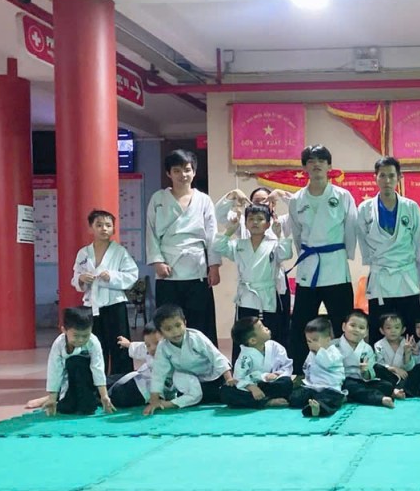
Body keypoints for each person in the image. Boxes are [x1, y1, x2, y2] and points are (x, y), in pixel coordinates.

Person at [282, 144, 359, 372]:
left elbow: (351, 229)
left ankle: (347, 368)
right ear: (304, 167)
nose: (316, 164)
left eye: (321, 160)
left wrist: (345, 255)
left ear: (329, 166)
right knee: (301, 322)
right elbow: (297, 235)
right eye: (311, 161)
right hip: (309, 266)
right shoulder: (297, 199)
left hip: (335, 265)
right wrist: (305, 255)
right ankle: (300, 370)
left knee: (342, 321)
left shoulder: (342, 196)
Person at [146, 149, 221, 345]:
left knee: (200, 322)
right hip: (167, 268)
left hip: (197, 269)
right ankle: (169, 360)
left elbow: (212, 235)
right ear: (169, 173)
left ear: (194, 172)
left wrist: (214, 266)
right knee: (169, 321)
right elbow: (151, 232)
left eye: (187, 170)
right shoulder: (158, 199)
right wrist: (157, 261)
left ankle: (204, 360)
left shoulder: (203, 200)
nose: (183, 175)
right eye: (177, 171)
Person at [212, 203, 294, 363]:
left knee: (269, 334)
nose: (255, 222)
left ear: (268, 224)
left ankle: (272, 367)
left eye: (260, 219)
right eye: (251, 219)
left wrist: (280, 235)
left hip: (267, 295)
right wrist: (230, 230)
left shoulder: (273, 244)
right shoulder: (238, 244)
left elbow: (286, 254)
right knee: (245, 333)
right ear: (246, 223)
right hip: (246, 296)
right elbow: (218, 246)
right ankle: (241, 367)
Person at [358, 156, 420, 338]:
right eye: (382, 175)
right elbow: (362, 240)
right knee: (379, 329)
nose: (387, 180)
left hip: (405, 275)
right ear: (375, 178)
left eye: (391, 176)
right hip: (380, 276)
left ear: (399, 178)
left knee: (409, 329)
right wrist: (373, 261)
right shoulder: (365, 208)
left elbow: (418, 241)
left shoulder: (411, 207)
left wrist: (411, 264)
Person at [71, 209, 138, 375]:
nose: (104, 229)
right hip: (92, 305)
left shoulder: (120, 252)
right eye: (99, 225)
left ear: (113, 229)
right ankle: (96, 382)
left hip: (115, 304)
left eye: (108, 225)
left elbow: (132, 275)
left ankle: (121, 380)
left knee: (119, 344)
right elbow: (75, 277)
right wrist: (81, 279)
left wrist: (112, 277)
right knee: (95, 345)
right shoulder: (83, 253)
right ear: (91, 228)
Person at [144, 304, 234, 416]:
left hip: (212, 377)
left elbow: (216, 357)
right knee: (178, 376)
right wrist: (154, 400)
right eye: (168, 329)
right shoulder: (163, 347)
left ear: (185, 323)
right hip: (188, 378)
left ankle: (199, 397)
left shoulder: (195, 337)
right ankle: (171, 404)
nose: (175, 332)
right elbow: (158, 373)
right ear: (160, 332)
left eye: (178, 325)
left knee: (226, 393)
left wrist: (229, 379)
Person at [40, 307, 114, 416]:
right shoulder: (58, 344)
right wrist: (52, 398)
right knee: (66, 408)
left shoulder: (93, 343)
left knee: (87, 409)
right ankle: (51, 399)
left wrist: (104, 396)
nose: (80, 340)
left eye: (85, 336)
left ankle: (92, 398)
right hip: (69, 383)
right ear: (64, 330)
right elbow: (54, 371)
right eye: (76, 335)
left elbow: (97, 369)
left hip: (88, 383)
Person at [220, 317, 295, 409]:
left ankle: (262, 399)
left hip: (269, 385)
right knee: (226, 392)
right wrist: (251, 387)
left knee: (286, 382)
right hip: (249, 389)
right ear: (253, 340)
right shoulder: (244, 357)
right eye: (262, 327)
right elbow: (238, 379)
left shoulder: (274, 346)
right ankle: (266, 402)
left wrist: (277, 374)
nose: (266, 328)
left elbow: (286, 366)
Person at [337, 309, 401, 408]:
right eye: (352, 325)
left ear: (366, 332)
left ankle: (351, 396)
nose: (356, 330)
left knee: (386, 386)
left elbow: (369, 376)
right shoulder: (333, 346)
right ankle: (380, 399)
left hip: (362, 381)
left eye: (361, 327)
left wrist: (365, 371)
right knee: (349, 386)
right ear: (344, 326)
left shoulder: (367, 348)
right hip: (343, 381)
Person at [288, 317, 347, 417]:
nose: (311, 344)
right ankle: (313, 404)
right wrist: (306, 380)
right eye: (308, 341)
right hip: (313, 387)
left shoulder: (334, 352)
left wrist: (319, 351)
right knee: (295, 397)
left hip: (330, 388)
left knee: (330, 399)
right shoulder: (312, 353)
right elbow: (307, 367)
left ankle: (317, 408)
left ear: (328, 339)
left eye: (315, 340)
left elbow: (326, 363)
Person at [109, 324, 163, 409]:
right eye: (148, 345)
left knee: (117, 395)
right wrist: (129, 344)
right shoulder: (151, 348)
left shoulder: (173, 357)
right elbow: (142, 347)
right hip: (139, 377)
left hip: (146, 392)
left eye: (157, 343)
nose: (152, 348)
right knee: (107, 381)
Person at [374, 312, 415, 385]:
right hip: (389, 376)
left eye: (397, 327)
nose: (393, 331)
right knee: (377, 368)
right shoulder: (378, 345)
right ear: (382, 330)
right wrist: (394, 369)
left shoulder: (407, 343)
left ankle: (401, 387)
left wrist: (407, 353)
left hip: (405, 375)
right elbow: (380, 365)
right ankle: (400, 387)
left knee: (419, 368)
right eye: (388, 328)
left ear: (403, 330)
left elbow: (409, 368)